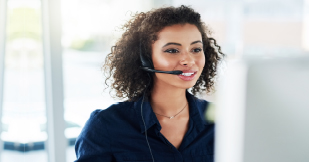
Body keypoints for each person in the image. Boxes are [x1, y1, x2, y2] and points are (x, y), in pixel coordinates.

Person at [74, 5, 224, 162]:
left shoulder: (222, 121)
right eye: (172, 50)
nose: (189, 60)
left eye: (196, 49)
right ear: (146, 58)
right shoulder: (106, 126)